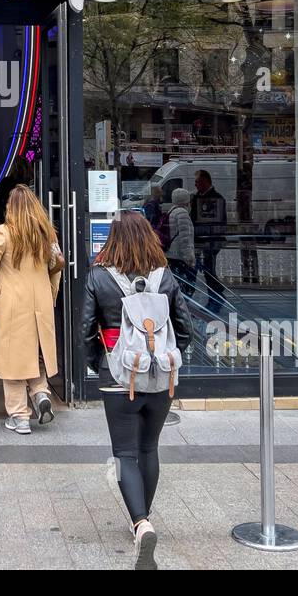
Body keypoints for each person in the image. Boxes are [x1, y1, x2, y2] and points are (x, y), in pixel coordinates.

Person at [80, 212, 192, 570]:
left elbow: (85, 329)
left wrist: (101, 362)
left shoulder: (99, 276)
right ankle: (141, 520)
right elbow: (186, 329)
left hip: (118, 375)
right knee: (149, 448)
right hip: (161, 374)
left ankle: (141, 524)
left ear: (112, 239)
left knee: (125, 453)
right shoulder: (165, 276)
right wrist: (164, 357)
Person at [0, 184, 64, 434]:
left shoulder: (3, 233)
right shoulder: (47, 234)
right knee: (33, 354)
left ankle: (20, 416)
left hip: (12, 306)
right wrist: (50, 294)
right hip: (41, 303)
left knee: (12, 361)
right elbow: (56, 266)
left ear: (10, 208)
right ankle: (40, 394)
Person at [190, 170, 227, 301]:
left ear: (205, 181)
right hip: (198, 240)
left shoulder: (217, 198)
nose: (195, 185)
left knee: (208, 269)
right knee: (202, 269)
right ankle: (215, 293)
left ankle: (216, 295)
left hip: (210, 240)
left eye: (197, 182)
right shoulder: (196, 197)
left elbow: (221, 222)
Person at [164, 188, 196, 288]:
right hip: (179, 255)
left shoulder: (172, 211)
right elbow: (185, 238)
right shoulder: (182, 213)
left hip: (171, 254)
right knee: (188, 283)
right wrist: (189, 257)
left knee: (176, 283)